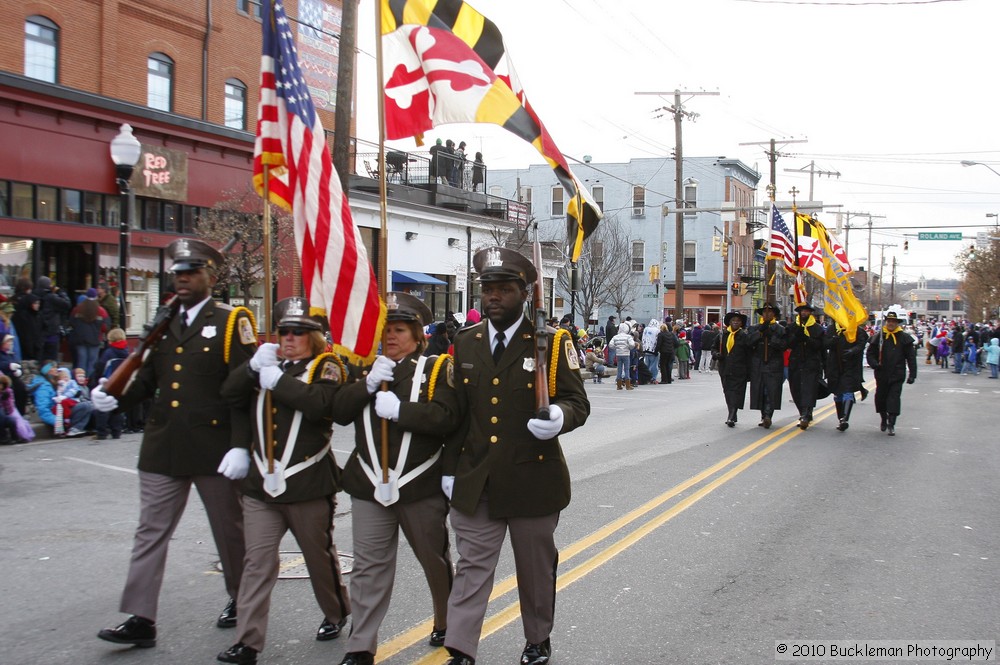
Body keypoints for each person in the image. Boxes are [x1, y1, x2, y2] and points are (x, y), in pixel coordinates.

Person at [92, 238, 258, 648]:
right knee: (150, 532)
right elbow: (149, 381)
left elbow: (244, 392)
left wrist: (242, 445)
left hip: (214, 448)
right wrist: (114, 396)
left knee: (230, 531)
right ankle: (141, 617)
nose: (182, 280)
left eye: (191, 273)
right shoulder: (164, 322)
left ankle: (241, 599)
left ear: (211, 277)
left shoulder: (231, 321)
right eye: (178, 274)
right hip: (163, 445)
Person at [440, 247, 590, 665]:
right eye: (488, 288)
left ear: (525, 293)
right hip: (477, 479)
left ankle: (537, 638)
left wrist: (559, 415)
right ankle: (461, 646)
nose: (493, 297)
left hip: (533, 478)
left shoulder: (552, 342)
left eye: (505, 289)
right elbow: (459, 415)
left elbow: (578, 402)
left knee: (535, 569)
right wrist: (449, 470)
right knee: (472, 568)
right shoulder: (465, 341)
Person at [216, 297, 351, 665]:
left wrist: (278, 381)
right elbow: (228, 396)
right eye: (284, 332)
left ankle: (337, 611)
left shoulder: (327, 365)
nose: (289, 338)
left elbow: (323, 406)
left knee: (318, 558)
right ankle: (248, 641)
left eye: (299, 332)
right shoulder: (263, 365)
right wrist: (249, 370)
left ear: (314, 337)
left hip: (307, 482)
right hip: (262, 484)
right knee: (257, 562)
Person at [333, 292, 459, 665]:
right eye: (385, 329)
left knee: (433, 559)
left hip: (419, 484)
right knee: (369, 567)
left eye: (399, 329)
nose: (390, 336)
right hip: (369, 483)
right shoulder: (364, 369)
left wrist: (401, 410)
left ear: (418, 335)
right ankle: (361, 644)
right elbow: (339, 412)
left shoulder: (436, 369)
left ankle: (446, 620)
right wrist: (368, 385)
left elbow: (447, 417)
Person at [866, 310, 917, 436]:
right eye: (889, 321)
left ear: (897, 323)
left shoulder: (904, 338)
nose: (891, 324)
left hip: (897, 373)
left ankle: (892, 423)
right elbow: (870, 353)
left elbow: (911, 357)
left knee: (894, 398)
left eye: (893, 322)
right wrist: (874, 364)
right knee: (881, 398)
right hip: (882, 373)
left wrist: (912, 374)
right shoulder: (879, 337)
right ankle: (883, 418)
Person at [787, 303, 826, 430]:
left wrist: (806, 339)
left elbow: (820, 346)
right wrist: (796, 337)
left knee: (809, 389)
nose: (804, 313)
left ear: (810, 313)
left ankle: (805, 413)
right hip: (796, 363)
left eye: (806, 311)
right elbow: (787, 344)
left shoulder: (817, 329)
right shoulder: (792, 327)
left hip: (811, 363)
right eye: (801, 311)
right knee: (796, 389)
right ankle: (803, 412)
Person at [747, 303, 786, 429]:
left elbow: (784, 345)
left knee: (770, 390)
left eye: (769, 312)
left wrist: (772, 338)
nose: (767, 314)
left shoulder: (780, 329)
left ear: (774, 314)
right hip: (758, 363)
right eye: (764, 312)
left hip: (773, 363)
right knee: (760, 391)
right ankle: (763, 415)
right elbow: (749, 343)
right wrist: (760, 332)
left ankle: (768, 415)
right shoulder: (755, 328)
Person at [824, 322, 868, 432]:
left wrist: (853, 350)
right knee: (838, 392)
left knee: (848, 391)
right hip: (835, 365)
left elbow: (862, 343)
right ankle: (840, 419)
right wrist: (833, 340)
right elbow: (825, 344)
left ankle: (845, 418)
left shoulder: (856, 329)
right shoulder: (831, 329)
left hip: (850, 365)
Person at [92, 327, 129, 440]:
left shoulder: (109, 352)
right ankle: (116, 431)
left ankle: (101, 432)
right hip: (121, 383)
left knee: (103, 408)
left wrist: (97, 378)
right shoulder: (127, 351)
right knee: (116, 407)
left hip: (108, 381)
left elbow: (101, 366)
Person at [718, 311, 752, 427]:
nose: (735, 322)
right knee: (728, 392)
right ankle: (732, 412)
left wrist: (749, 371)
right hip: (725, 368)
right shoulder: (723, 335)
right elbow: (714, 348)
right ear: (729, 322)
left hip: (739, 369)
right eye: (733, 320)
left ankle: (732, 415)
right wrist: (717, 354)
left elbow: (749, 354)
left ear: (741, 323)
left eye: (738, 321)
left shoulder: (744, 336)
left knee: (737, 392)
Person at [67, 288, 109, 377]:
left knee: (81, 362)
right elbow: (105, 326)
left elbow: (71, 323)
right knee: (92, 363)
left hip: (80, 340)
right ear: (96, 297)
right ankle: (90, 383)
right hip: (95, 340)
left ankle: (80, 382)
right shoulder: (101, 311)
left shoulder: (77, 309)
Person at [35, 276, 71, 361]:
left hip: (38, 333)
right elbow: (67, 304)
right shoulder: (51, 297)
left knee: (39, 359)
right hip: (51, 332)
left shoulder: (34, 295)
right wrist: (60, 292)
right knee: (51, 359)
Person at [610, 321, 636, 390]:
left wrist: (616, 348)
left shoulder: (615, 336)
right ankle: (628, 385)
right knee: (627, 369)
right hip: (626, 354)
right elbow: (632, 344)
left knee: (619, 369)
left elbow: (610, 345)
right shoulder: (628, 336)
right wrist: (628, 348)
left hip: (618, 354)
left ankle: (619, 385)